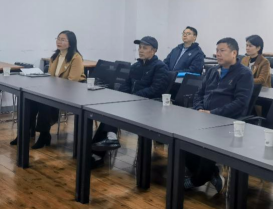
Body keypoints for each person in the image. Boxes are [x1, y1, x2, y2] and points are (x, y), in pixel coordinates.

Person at [186, 38, 254, 193]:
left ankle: (198, 180)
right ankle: (212, 173)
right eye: (217, 50)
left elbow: (240, 103)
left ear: (234, 53)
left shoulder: (244, 74)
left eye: (222, 51)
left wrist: (213, 113)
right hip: (204, 116)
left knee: (206, 144)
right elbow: (199, 94)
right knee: (183, 139)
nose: (218, 54)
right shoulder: (212, 70)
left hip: (226, 121)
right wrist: (199, 109)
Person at [91, 36, 170, 169]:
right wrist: (122, 96)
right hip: (133, 103)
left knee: (114, 112)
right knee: (110, 110)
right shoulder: (136, 66)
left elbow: (156, 89)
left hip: (149, 105)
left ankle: (100, 149)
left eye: (145, 48)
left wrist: (133, 97)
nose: (141, 50)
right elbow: (126, 84)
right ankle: (105, 143)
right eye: (140, 47)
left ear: (154, 50)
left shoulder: (160, 67)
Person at [11, 31, 86, 149]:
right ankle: (24, 133)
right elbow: (51, 77)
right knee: (30, 100)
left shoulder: (76, 58)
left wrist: (53, 88)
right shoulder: (55, 57)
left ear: (70, 43)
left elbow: (72, 81)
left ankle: (44, 135)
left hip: (70, 92)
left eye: (62, 40)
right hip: (55, 90)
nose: (59, 42)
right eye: (58, 39)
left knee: (44, 103)